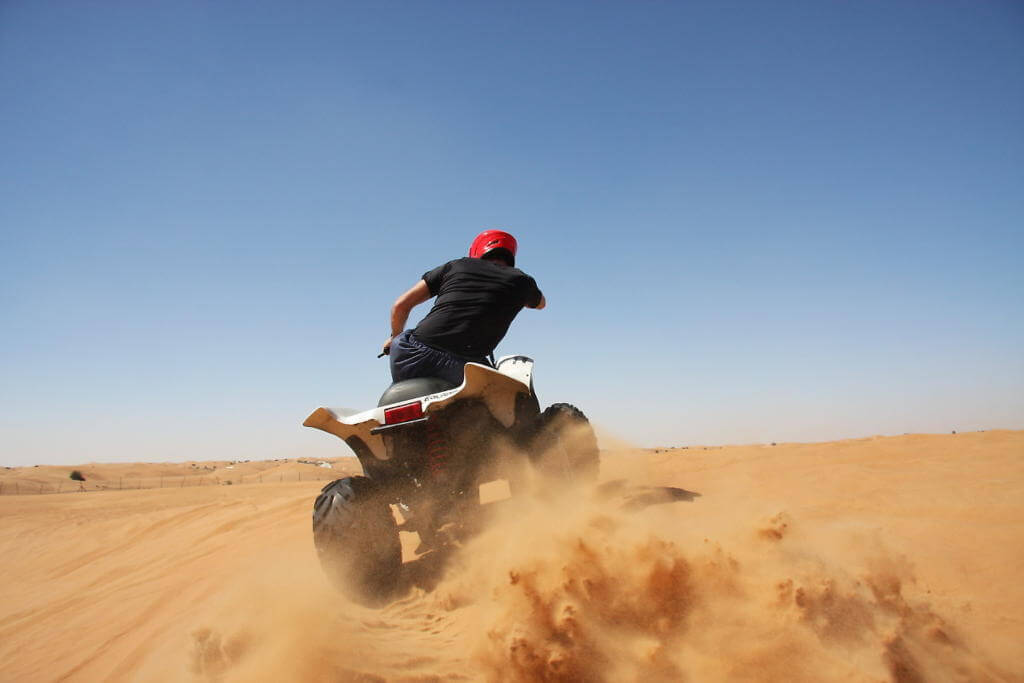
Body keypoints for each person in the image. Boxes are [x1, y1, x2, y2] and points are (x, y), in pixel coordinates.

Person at [382, 230, 546, 386]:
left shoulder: (456, 266)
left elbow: (400, 306)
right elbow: (541, 304)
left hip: (414, 356)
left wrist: (394, 337)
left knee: (404, 340)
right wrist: (523, 293)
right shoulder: (521, 281)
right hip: (468, 369)